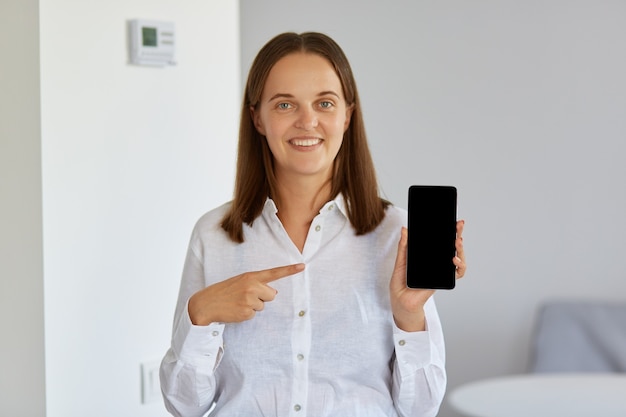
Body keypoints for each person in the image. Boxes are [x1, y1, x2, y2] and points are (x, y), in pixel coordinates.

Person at [159, 31, 466, 417]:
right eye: (285, 104)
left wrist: (408, 317)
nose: (308, 121)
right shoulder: (213, 234)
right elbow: (183, 405)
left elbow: (420, 409)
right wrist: (201, 314)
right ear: (257, 117)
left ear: (347, 114)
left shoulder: (396, 235)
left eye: (324, 103)